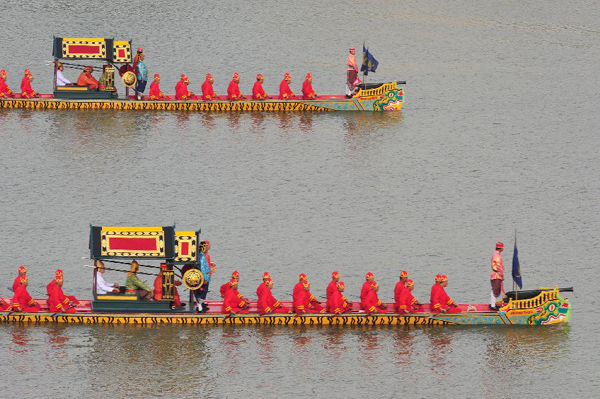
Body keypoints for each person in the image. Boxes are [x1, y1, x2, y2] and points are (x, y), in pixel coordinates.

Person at [194, 240, 216, 312]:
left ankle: (201, 303)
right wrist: (205, 278)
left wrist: (210, 263)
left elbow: (207, 263)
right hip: (204, 276)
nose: (210, 246)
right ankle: (199, 307)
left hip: (206, 274)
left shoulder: (204, 254)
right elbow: (203, 268)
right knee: (202, 291)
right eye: (208, 245)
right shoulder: (202, 257)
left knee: (204, 291)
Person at [490, 242, 505, 310]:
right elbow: (499, 266)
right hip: (496, 275)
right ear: (501, 248)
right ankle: (493, 305)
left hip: (495, 274)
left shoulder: (495, 254)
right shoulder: (497, 256)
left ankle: (492, 304)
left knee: (495, 289)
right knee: (496, 290)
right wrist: (501, 275)